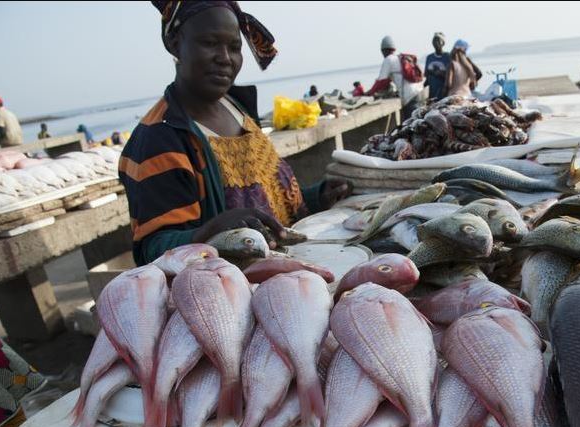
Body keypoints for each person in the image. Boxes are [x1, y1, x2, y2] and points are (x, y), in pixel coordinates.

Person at [120, 1, 352, 266]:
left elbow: (264, 198)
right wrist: (211, 231)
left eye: (234, 47)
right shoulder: (160, 139)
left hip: (295, 268)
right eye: (209, 43)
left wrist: (316, 197)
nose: (225, 58)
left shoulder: (237, 107)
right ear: (174, 43)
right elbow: (154, 250)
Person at [366, 35, 424, 120]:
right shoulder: (399, 58)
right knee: (419, 122)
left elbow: (381, 82)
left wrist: (368, 93)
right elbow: (387, 81)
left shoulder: (388, 60)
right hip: (419, 93)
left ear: (383, 50)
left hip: (410, 98)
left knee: (412, 127)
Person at [424, 32, 450, 101]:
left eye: (438, 40)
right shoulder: (429, 57)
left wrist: (439, 73)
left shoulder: (447, 56)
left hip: (444, 93)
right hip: (432, 93)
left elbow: (451, 75)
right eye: (434, 40)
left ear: (443, 43)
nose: (436, 42)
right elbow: (426, 74)